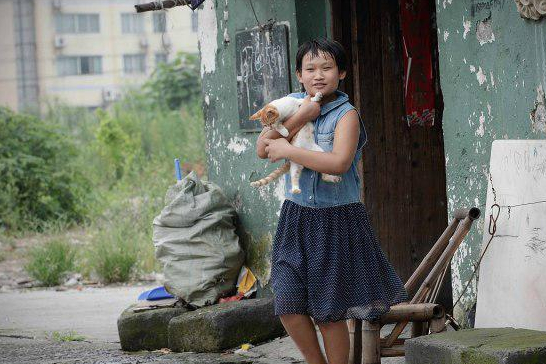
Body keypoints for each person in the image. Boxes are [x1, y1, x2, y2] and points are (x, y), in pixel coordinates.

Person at [256, 38, 408, 364]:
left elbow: (339, 163)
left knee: (328, 312)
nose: (318, 75)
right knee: (287, 303)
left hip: (335, 219)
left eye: (327, 67)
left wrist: (287, 149)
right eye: (310, 69)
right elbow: (262, 148)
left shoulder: (346, 115)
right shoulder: (290, 105)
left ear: (341, 73)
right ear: (299, 74)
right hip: (296, 217)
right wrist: (302, 115)